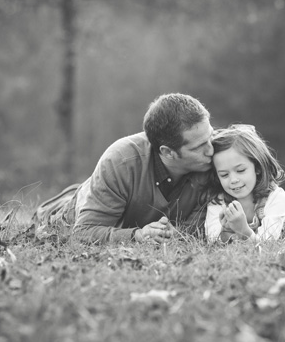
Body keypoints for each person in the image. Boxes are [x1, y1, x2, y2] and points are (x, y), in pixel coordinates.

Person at [35, 94, 215, 244]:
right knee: (55, 217)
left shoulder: (216, 154)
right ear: (168, 152)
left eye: (211, 136)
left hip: (115, 200)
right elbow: (83, 233)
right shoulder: (121, 161)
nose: (212, 149)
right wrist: (137, 236)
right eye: (199, 147)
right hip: (75, 210)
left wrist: (177, 235)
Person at [203, 124, 285, 243]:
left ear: (257, 167)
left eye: (240, 170)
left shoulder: (275, 197)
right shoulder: (219, 201)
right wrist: (225, 231)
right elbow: (212, 239)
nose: (233, 180)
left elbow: (268, 243)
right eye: (224, 175)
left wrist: (243, 230)